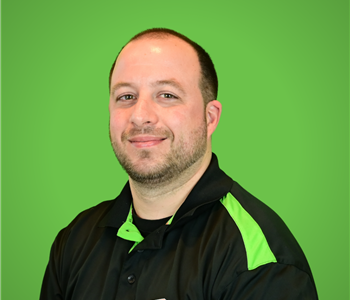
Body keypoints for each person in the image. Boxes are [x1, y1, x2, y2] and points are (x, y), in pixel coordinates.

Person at [40, 28, 318, 300]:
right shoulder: (74, 240)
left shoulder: (259, 260)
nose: (140, 116)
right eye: (126, 96)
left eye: (167, 95)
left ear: (210, 118)